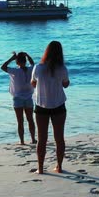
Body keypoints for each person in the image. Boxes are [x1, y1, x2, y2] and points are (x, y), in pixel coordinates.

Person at [31, 41, 70, 174]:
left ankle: (40, 168)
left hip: (41, 105)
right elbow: (65, 84)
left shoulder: (38, 68)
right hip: (58, 105)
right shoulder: (62, 68)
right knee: (59, 138)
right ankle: (59, 166)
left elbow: (33, 83)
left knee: (42, 138)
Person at [1, 51, 37, 145]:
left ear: (17, 62)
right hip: (28, 98)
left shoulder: (15, 71)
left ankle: (22, 141)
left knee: (20, 121)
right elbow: (33, 63)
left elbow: (3, 67)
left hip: (17, 99)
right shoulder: (31, 69)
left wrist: (11, 59)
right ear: (25, 61)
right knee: (30, 120)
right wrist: (28, 55)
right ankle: (33, 139)